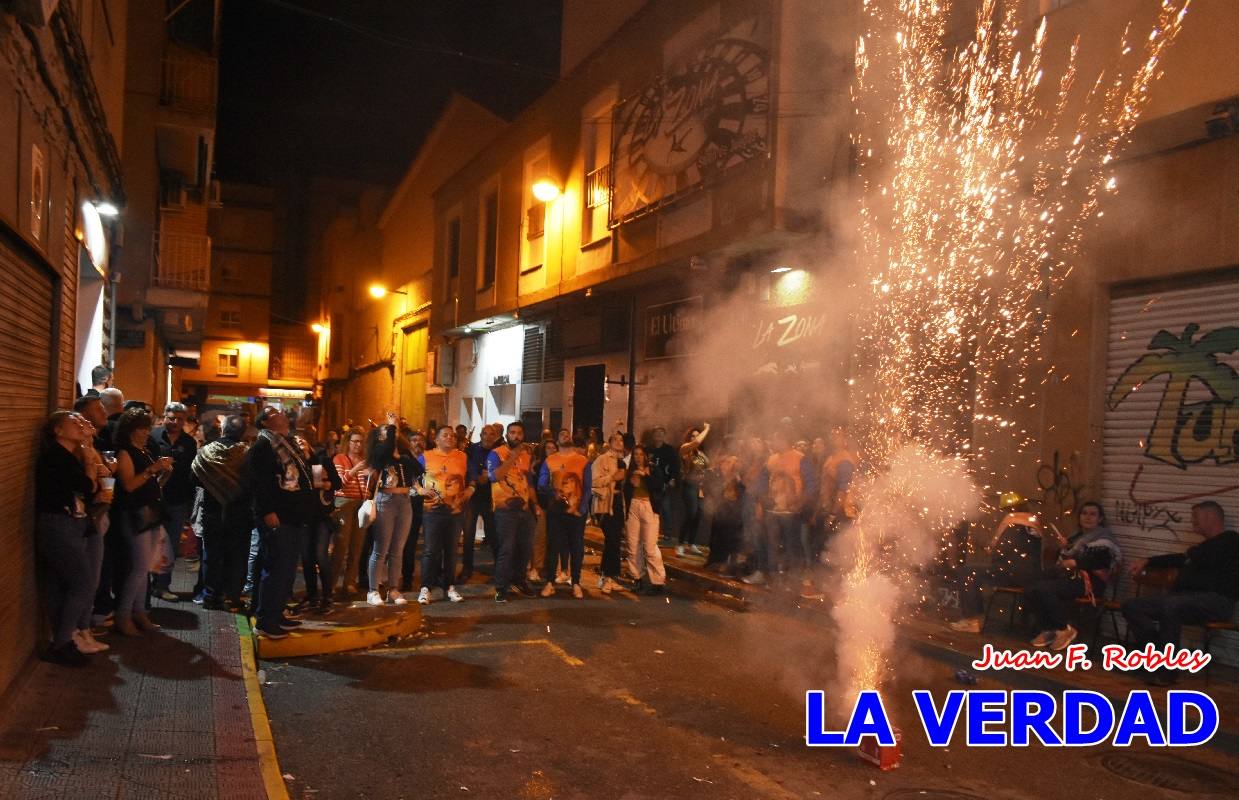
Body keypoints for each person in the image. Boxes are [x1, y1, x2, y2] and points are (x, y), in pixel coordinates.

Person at [1122, 500, 1239, 685]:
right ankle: (1155, 654)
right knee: (1132, 606)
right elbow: (1182, 558)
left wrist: (1192, 554)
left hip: (1217, 602)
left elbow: (1196, 557)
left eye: (1195, 517)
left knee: (1172, 606)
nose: (1192, 521)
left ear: (1210, 517)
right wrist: (1148, 560)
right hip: (1186, 600)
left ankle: (1167, 673)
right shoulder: (1204, 548)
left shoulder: (1230, 541)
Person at [35, 411, 108, 665]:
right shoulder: (56, 457)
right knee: (83, 584)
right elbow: (88, 486)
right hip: (58, 524)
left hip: (70, 523)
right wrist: (89, 463)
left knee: (60, 584)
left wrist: (88, 452)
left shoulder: (68, 455)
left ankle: (62, 642)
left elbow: (93, 487)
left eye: (81, 421)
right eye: (74, 423)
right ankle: (63, 642)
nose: (80, 425)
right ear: (58, 430)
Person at [245, 407, 324, 639]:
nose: (282, 415)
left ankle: (276, 613)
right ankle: (265, 620)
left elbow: (306, 473)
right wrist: (267, 511)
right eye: (275, 413)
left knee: (287, 569)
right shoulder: (263, 447)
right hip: (278, 516)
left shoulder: (286, 445)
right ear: (266, 422)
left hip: (293, 516)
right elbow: (260, 484)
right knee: (276, 568)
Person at [1019, 501, 1122, 650]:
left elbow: (1100, 560)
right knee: (1030, 585)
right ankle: (1048, 628)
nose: (1087, 517)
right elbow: (1064, 562)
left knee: (1045, 588)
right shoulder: (1076, 538)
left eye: (1093, 514)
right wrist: (1064, 548)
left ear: (1100, 519)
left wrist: (1076, 562)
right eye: (1084, 513)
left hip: (1091, 582)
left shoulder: (1105, 539)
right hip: (1070, 577)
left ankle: (1063, 628)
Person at [112, 408, 173, 637]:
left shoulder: (143, 450)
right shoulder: (125, 453)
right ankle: (123, 614)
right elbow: (128, 485)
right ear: (131, 430)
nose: (147, 432)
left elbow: (152, 483)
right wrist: (152, 470)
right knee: (138, 567)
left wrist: (163, 472)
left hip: (151, 512)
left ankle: (139, 612)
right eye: (142, 428)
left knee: (145, 567)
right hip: (134, 514)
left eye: (148, 428)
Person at [949, 493, 1046, 632]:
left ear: (1011, 508)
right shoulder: (1031, 521)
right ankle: (973, 620)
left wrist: (990, 549)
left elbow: (1001, 550)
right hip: (1030, 574)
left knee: (967, 572)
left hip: (1012, 573)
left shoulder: (1015, 520)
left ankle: (971, 620)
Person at [192, 414, 250, 611]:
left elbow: (194, 477)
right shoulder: (247, 453)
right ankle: (231, 597)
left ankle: (210, 596)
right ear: (242, 433)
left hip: (212, 511)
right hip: (239, 512)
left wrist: (214, 484)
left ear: (223, 430)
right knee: (237, 556)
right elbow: (253, 482)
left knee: (212, 555)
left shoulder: (206, 451)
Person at [362, 420, 422, 606]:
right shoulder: (379, 453)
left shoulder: (402, 454)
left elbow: (419, 470)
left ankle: (393, 589)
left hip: (404, 501)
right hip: (385, 501)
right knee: (381, 549)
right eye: (386, 432)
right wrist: (392, 429)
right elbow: (381, 456)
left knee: (398, 549)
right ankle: (372, 591)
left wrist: (403, 455)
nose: (390, 435)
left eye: (392, 432)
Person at [748, 428, 818, 586]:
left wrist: (800, 503)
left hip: (792, 510)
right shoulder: (772, 459)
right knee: (769, 541)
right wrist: (760, 502)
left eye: (776, 439)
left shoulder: (801, 458)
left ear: (784, 439)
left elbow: (811, 485)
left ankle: (792, 580)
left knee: (791, 544)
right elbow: (761, 481)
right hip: (773, 508)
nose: (773, 442)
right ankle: (768, 574)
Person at [416, 425, 472, 604]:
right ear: (436, 439)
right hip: (432, 509)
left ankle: (449, 586)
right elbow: (412, 477)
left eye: (452, 436)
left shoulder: (462, 457)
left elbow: (472, 477)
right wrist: (420, 489)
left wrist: (471, 489)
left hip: (455, 509)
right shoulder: (426, 457)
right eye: (445, 435)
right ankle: (426, 587)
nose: (450, 438)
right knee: (430, 550)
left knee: (451, 550)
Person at [149, 402, 198, 602]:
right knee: (150, 541)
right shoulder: (153, 437)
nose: (175, 422)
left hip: (177, 499)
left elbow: (191, 472)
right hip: (152, 498)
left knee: (170, 542)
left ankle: (162, 585)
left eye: (179, 419)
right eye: (171, 418)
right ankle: (147, 585)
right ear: (164, 417)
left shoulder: (189, 442)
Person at [488, 421, 539, 602]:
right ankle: (501, 588)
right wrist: (513, 456)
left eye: (519, 433)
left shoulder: (526, 455)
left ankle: (519, 580)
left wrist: (535, 505)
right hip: (505, 509)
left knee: (525, 548)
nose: (516, 436)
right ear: (507, 435)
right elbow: (494, 476)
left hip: (524, 509)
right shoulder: (496, 453)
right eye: (512, 433)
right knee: (506, 549)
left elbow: (528, 481)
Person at [538, 433, 593, 598]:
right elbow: (542, 483)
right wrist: (552, 492)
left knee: (576, 547)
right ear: (557, 441)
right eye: (561, 434)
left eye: (567, 434)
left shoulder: (582, 460)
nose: (564, 435)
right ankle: (550, 582)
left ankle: (576, 582)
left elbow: (588, 487)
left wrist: (582, 509)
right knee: (554, 545)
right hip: (556, 510)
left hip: (576, 512)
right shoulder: (550, 460)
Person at [299, 434, 342, 614]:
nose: (299, 444)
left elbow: (337, 483)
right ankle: (312, 596)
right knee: (307, 558)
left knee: (321, 555)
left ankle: (327, 596)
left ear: (308, 444)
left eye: (301, 440)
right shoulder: (294, 465)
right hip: (303, 517)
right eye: (295, 443)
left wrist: (327, 484)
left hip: (322, 516)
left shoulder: (321, 461)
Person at [624, 444, 667, 595]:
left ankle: (658, 581)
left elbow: (659, 486)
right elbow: (626, 490)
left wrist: (644, 475)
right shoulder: (630, 471)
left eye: (641, 454)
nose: (638, 457)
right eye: (635, 454)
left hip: (649, 506)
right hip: (634, 506)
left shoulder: (653, 469)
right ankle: (637, 578)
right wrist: (631, 482)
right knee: (633, 544)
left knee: (649, 546)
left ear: (646, 456)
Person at [590, 432, 629, 593]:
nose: (619, 442)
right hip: (606, 505)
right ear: (610, 442)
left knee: (614, 541)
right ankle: (608, 577)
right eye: (616, 439)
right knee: (612, 540)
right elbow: (593, 481)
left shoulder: (624, 462)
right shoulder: (602, 459)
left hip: (620, 505)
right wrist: (613, 477)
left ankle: (609, 576)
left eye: (622, 440)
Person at [331, 428, 367, 596]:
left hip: (362, 504)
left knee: (357, 545)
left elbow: (369, 483)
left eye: (360, 441)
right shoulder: (340, 458)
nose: (358, 445)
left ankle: (349, 582)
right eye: (355, 441)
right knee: (341, 545)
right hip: (344, 502)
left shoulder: (365, 460)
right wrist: (355, 469)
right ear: (348, 442)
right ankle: (330, 583)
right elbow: (340, 482)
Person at [462, 423, 499, 582]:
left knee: (493, 535)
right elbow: (467, 467)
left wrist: (489, 476)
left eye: (492, 434)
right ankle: (466, 569)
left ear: (496, 437)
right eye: (485, 433)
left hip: (491, 498)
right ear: (481, 435)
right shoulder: (472, 450)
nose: (488, 437)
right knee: (468, 535)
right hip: (473, 496)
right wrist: (478, 477)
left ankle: (498, 569)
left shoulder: (498, 452)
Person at [677, 423, 711, 557]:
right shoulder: (685, 449)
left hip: (700, 487)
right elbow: (696, 442)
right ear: (688, 437)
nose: (695, 438)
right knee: (691, 513)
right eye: (692, 435)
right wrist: (707, 429)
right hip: (689, 485)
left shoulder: (701, 453)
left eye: (697, 435)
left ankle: (691, 544)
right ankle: (680, 544)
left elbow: (707, 467)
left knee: (699, 515)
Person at [647, 426, 681, 542]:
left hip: (665, 483)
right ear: (653, 435)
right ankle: (652, 532)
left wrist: (672, 478)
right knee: (652, 509)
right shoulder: (649, 449)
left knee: (666, 508)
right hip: (651, 484)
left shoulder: (669, 450)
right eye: (656, 433)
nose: (659, 435)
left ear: (664, 436)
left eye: (661, 433)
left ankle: (667, 533)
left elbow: (676, 465)